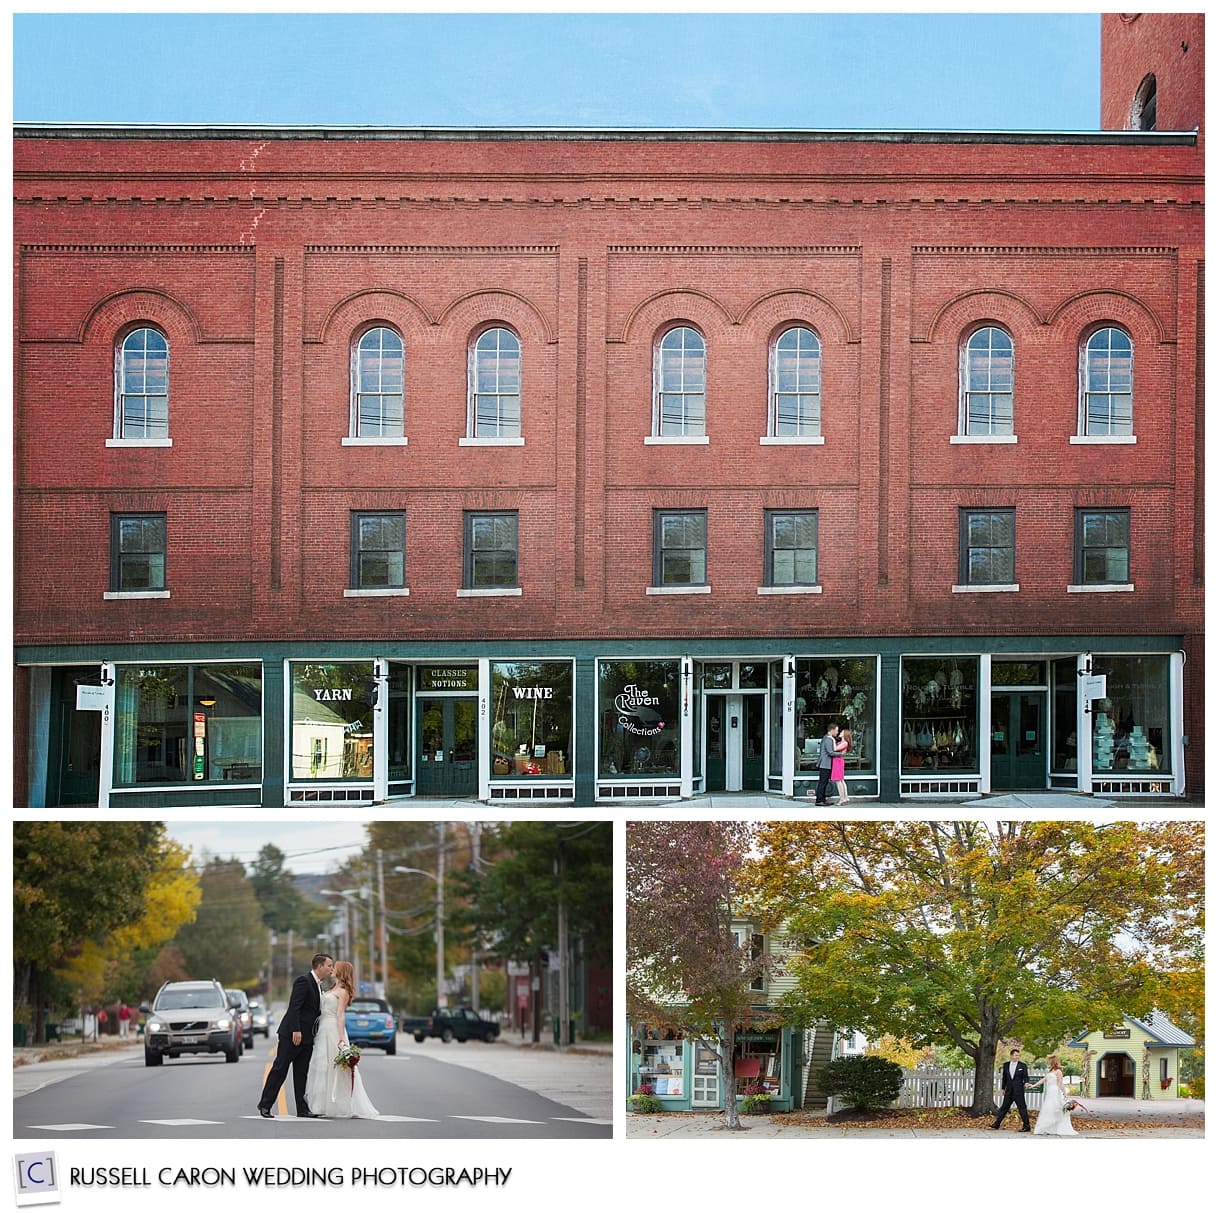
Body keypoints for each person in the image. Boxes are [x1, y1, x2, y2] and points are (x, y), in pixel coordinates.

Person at [258, 952, 334, 1119]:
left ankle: (302, 1109)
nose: (331, 968)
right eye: (329, 965)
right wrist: (296, 1030)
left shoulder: (318, 984)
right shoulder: (303, 981)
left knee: (301, 1073)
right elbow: (294, 1007)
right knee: (280, 1069)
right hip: (293, 1035)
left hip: (308, 1037)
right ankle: (265, 1105)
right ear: (319, 966)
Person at [304, 961, 379, 1119]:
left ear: (342, 971)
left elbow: (340, 1015)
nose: (331, 969)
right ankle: (320, 1105)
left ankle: (342, 1104)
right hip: (322, 1029)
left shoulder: (343, 991)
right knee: (322, 1066)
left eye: (334, 967)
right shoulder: (331, 988)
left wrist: (340, 1038)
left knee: (336, 1067)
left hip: (332, 1029)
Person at [1029, 1054, 1079, 1136]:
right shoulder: (1050, 1071)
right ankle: (1049, 1128)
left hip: (1055, 1091)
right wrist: (1033, 1085)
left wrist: (1064, 1093)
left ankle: (1055, 1127)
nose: (1048, 1062)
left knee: (1054, 1108)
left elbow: (1060, 1083)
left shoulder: (1058, 1071)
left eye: (1049, 1061)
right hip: (1049, 1092)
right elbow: (1043, 1080)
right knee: (1048, 1108)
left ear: (1053, 1061)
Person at [990, 1047, 1032, 1131]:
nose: (1017, 1057)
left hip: (1018, 1091)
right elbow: (1004, 1078)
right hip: (1009, 1091)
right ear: (1011, 1055)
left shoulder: (1022, 1065)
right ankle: (996, 1124)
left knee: (1022, 1108)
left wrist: (1026, 1082)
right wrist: (1003, 1088)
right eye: (1016, 1055)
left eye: (1018, 1055)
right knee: (1004, 1108)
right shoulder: (1006, 1065)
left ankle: (1027, 1126)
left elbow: (1025, 1077)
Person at [811, 722, 840, 805]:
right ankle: (819, 800)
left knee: (824, 782)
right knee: (823, 782)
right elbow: (830, 752)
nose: (837, 732)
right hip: (825, 764)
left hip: (826, 764)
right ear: (832, 730)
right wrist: (841, 754)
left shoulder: (828, 738)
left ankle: (822, 799)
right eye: (836, 730)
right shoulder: (828, 739)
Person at [832, 728, 852, 805]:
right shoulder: (842, 742)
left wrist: (832, 740)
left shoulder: (845, 743)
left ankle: (842, 799)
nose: (840, 733)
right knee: (841, 780)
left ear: (845, 734)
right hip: (838, 761)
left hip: (838, 761)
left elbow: (835, 748)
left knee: (838, 781)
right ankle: (845, 797)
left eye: (842, 732)